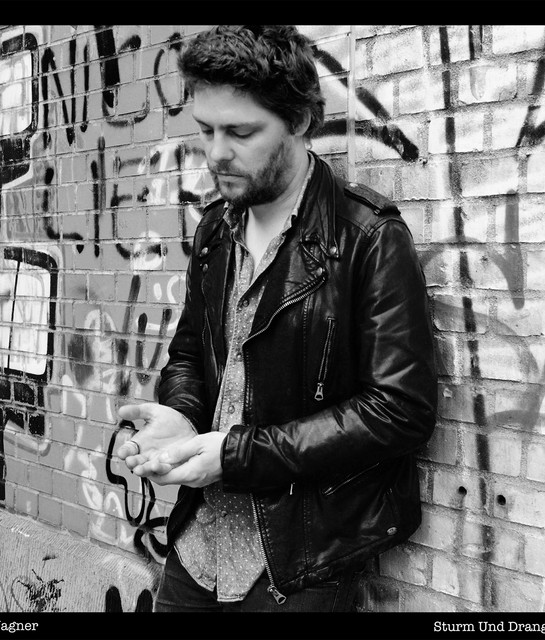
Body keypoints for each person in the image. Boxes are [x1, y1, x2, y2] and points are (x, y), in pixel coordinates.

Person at [117, 24, 437, 613]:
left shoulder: (365, 238)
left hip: (297, 563)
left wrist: (238, 455)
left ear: (299, 120)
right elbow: (189, 355)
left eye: (241, 132)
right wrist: (183, 414)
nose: (216, 152)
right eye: (206, 130)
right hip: (196, 546)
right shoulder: (215, 230)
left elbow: (400, 409)